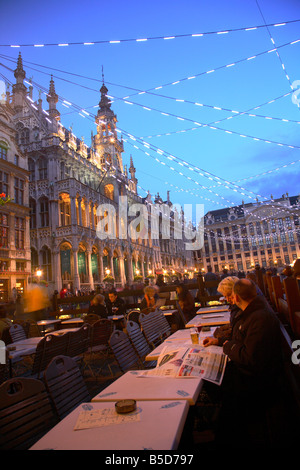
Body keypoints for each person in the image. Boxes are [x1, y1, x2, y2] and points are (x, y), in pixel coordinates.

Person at [203, 276, 240, 347]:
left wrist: (224, 343)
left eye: (229, 295)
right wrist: (218, 341)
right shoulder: (236, 308)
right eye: (225, 296)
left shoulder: (240, 310)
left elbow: (237, 339)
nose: (228, 300)